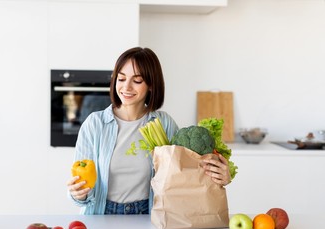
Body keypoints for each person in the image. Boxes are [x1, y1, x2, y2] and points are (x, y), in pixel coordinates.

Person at [67, 47, 231, 215]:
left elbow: (186, 175)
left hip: (150, 214)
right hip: (102, 213)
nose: (126, 87)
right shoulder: (95, 124)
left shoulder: (163, 123)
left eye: (137, 81)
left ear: (151, 85)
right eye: (121, 78)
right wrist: (78, 194)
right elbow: (79, 190)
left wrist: (221, 177)